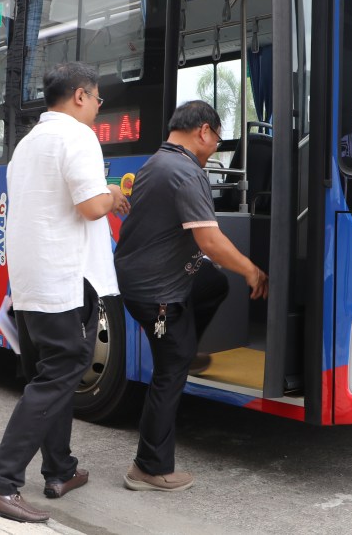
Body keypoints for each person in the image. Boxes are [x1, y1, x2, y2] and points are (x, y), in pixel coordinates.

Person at [0, 62, 130, 523]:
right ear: (79, 96)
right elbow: (90, 204)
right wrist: (114, 195)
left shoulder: (28, 143)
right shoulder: (76, 137)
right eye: (98, 99)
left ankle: (60, 468)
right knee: (65, 368)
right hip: (65, 277)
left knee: (49, 369)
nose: (99, 108)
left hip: (32, 278)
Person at [113, 100, 269, 492]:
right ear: (203, 131)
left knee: (213, 284)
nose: (216, 145)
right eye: (216, 137)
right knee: (171, 371)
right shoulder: (185, 171)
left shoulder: (159, 161)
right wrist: (252, 270)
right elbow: (211, 241)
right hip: (158, 293)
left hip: (144, 278)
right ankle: (149, 468)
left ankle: (185, 347)